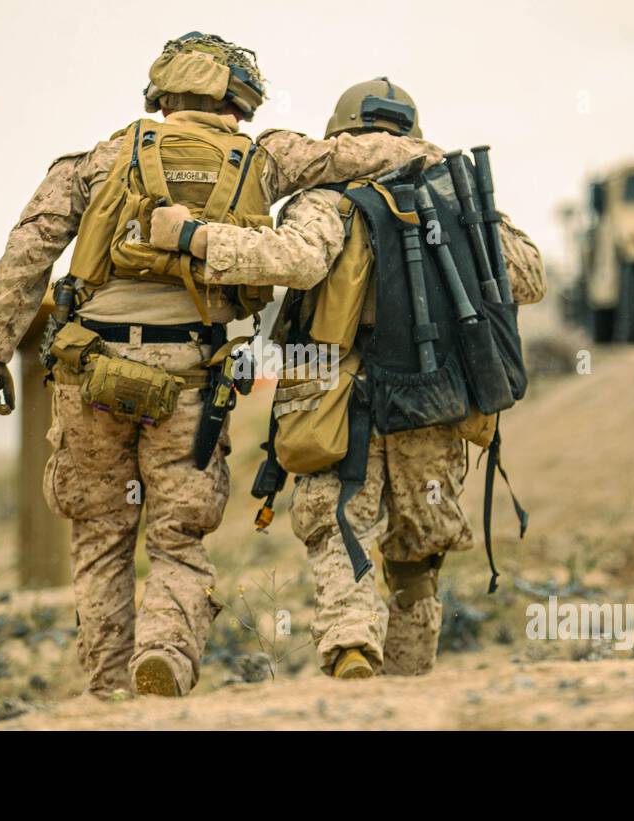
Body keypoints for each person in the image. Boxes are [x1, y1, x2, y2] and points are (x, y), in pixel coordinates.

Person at [0, 37, 443, 698]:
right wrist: (428, 155)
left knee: (99, 536)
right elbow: (349, 152)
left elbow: (28, 251)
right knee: (178, 537)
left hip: (91, 371)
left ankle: (105, 692)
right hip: (187, 379)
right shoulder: (266, 157)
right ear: (238, 100)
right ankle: (165, 655)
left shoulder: (99, 160)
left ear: (162, 94)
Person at [149, 78, 546, 679]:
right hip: (434, 393)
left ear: (340, 133)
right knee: (418, 552)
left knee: (339, 528)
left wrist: (194, 236)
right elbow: (529, 276)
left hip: (330, 388)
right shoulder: (458, 198)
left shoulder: (326, 198)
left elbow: (294, 260)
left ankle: (352, 647)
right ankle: (408, 686)